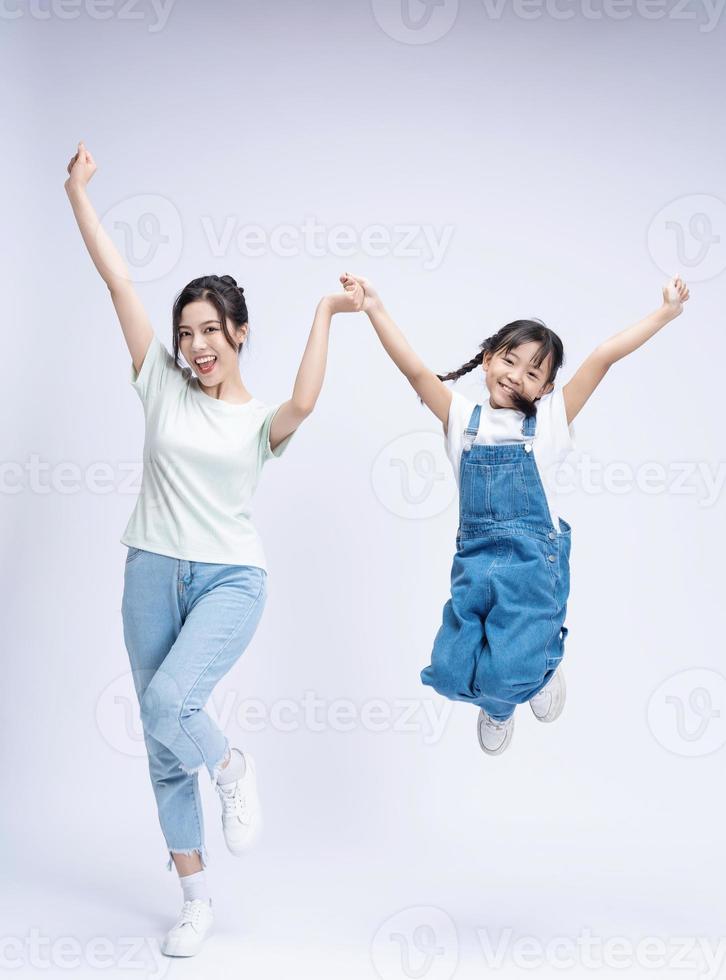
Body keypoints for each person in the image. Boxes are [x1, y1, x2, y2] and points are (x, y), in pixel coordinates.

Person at [64, 141, 362, 957]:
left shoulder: (259, 420)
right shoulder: (159, 381)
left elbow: (305, 397)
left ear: (238, 333)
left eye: (210, 331)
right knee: (161, 744)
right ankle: (194, 898)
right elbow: (119, 280)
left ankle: (232, 768)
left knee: (171, 706)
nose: (196, 344)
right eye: (185, 331)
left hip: (231, 578)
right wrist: (77, 193)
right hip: (149, 571)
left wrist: (327, 313)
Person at [340, 270, 690, 756]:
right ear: (487, 360)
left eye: (533, 372)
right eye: (510, 360)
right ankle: (508, 694)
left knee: (509, 672)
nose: (517, 376)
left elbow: (603, 357)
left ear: (545, 389)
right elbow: (417, 372)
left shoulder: (549, 424)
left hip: (531, 569)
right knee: (448, 670)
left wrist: (665, 312)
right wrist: (375, 307)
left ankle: (535, 676)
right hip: (474, 565)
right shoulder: (463, 421)